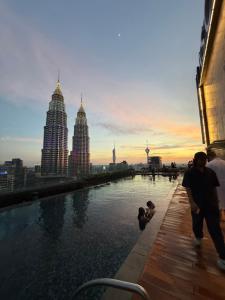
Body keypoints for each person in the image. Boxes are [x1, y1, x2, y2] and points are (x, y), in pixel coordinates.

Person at [182, 151, 225, 270]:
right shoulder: (189, 173)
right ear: (195, 159)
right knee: (197, 223)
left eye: (204, 159)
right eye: (200, 159)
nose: (202, 161)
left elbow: (214, 189)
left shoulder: (210, 172)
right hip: (198, 205)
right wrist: (192, 203)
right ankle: (198, 237)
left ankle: (223, 257)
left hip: (211, 205)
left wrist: (217, 203)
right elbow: (188, 188)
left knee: (215, 229)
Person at [207, 150, 225, 221]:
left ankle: (221, 217)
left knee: (218, 201)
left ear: (209, 156)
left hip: (216, 185)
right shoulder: (224, 162)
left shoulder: (209, 164)